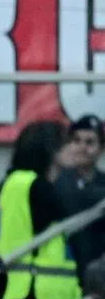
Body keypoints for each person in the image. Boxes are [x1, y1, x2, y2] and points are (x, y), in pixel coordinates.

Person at [0, 120, 81, 299]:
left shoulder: (14, 182)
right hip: (36, 292)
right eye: (67, 143)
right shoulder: (36, 186)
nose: (75, 148)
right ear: (50, 149)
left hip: (20, 288)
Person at [54, 115, 105, 277]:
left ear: (101, 149)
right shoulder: (57, 181)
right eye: (76, 141)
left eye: (89, 142)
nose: (82, 147)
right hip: (63, 272)